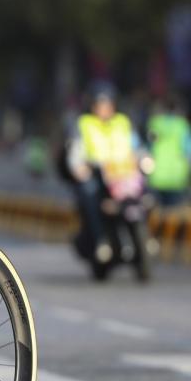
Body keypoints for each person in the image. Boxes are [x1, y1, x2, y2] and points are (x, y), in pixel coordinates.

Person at [66, 82, 144, 263]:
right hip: (98, 177)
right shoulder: (84, 124)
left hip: (124, 177)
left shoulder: (123, 122)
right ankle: (101, 239)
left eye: (106, 104)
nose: (103, 109)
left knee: (147, 194)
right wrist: (78, 167)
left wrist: (143, 158)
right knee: (88, 191)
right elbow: (75, 151)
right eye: (99, 104)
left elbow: (137, 147)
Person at [146, 96, 191, 207]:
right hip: (177, 177)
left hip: (157, 176)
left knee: (157, 215)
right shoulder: (183, 125)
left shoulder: (155, 124)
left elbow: (148, 147)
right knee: (173, 218)